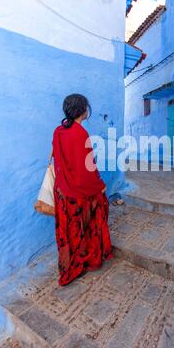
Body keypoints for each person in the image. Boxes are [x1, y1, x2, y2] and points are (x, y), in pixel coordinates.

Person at [52, 94, 113, 286]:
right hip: (78, 194)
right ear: (82, 110)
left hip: (63, 192)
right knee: (88, 226)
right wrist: (99, 186)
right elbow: (86, 168)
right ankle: (86, 261)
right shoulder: (80, 133)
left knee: (70, 231)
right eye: (86, 106)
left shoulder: (58, 131)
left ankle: (70, 265)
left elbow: (62, 162)